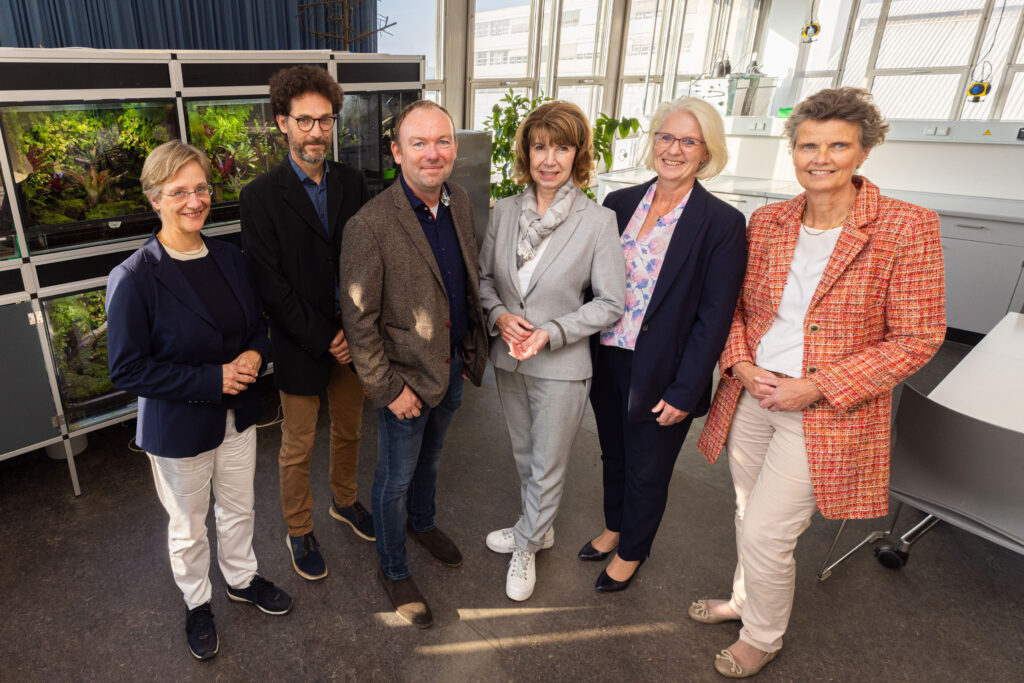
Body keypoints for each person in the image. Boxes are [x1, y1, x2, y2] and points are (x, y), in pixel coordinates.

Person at [692, 87, 946, 678]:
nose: (820, 157)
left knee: (769, 530)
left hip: (825, 406)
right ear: (793, 150)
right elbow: (733, 308)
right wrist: (743, 365)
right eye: (808, 145)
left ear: (863, 151)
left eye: (838, 145)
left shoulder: (906, 227)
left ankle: (763, 635)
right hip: (755, 392)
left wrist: (818, 386)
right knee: (745, 511)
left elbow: (919, 337)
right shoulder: (770, 220)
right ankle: (746, 599)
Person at [107, 141, 292, 661]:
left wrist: (256, 355)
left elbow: (258, 324)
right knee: (188, 527)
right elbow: (127, 369)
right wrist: (214, 379)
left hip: (239, 418)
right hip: (180, 429)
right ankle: (197, 601)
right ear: (154, 200)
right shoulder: (135, 278)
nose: (194, 201)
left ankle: (241, 577)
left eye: (201, 188)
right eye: (179, 191)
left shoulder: (231, 258)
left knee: (239, 507)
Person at [582, 97, 746, 594]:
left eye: (688, 141)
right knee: (613, 453)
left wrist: (685, 389)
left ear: (706, 152)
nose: (674, 149)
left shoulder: (722, 222)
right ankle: (615, 526)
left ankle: (633, 548)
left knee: (648, 468)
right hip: (606, 354)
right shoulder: (619, 203)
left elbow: (714, 317)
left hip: (665, 370)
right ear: (653, 140)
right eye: (666, 137)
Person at [339, 100, 488, 628]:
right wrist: (387, 389)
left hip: (452, 366)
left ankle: (422, 525)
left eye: (442, 141)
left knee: (433, 459)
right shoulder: (370, 225)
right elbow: (359, 321)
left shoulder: (461, 201)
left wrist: (472, 348)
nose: (433, 153)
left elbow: (465, 279)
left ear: (454, 148)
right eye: (418, 143)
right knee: (394, 478)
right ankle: (393, 566)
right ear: (397, 153)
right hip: (404, 381)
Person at [478, 101, 625, 601]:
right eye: (539, 146)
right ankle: (537, 526)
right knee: (524, 454)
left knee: (548, 462)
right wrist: (498, 316)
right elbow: (484, 281)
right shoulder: (505, 211)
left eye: (561, 146)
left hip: (561, 363)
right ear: (526, 151)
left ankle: (526, 544)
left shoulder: (597, 221)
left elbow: (610, 302)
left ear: (577, 153)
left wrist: (551, 332)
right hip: (509, 359)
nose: (549, 158)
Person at [240, 65, 373, 582]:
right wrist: (325, 337)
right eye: (304, 121)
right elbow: (269, 284)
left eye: (325, 120)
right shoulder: (259, 196)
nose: (316, 131)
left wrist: (354, 332)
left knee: (350, 430)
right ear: (282, 123)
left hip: (353, 336)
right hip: (301, 342)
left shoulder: (352, 181)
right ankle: (298, 529)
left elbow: (364, 260)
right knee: (297, 446)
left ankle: (344, 500)